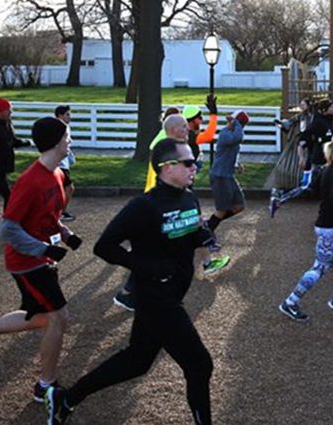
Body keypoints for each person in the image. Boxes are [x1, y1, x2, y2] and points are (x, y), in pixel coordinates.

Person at [46, 138, 215, 425]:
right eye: (188, 162)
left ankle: (67, 398)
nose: (194, 166)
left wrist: (203, 236)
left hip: (174, 292)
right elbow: (105, 246)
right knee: (200, 365)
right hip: (155, 296)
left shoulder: (189, 196)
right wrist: (146, 266)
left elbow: (188, 229)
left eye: (194, 161)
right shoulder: (143, 206)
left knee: (137, 361)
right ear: (165, 167)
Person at [0, 117, 80, 404]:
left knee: (42, 318)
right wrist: (43, 249)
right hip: (26, 261)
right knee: (58, 318)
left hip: (41, 257)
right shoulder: (30, 181)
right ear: (56, 141)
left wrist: (65, 233)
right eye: (67, 135)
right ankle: (45, 385)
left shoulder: (58, 175)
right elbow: (8, 228)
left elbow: (49, 215)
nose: (70, 140)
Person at [279, 128, 333, 322]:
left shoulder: (329, 168)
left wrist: (283, 198)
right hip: (329, 228)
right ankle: (290, 302)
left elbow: (310, 189)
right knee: (320, 268)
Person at [117, 112, 191, 312]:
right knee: (153, 251)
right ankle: (128, 293)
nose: (188, 129)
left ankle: (139, 293)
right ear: (174, 130)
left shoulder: (174, 148)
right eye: (184, 126)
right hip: (158, 206)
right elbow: (157, 182)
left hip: (166, 204)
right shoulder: (165, 151)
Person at [269, 99, 333, 218]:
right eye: (332, 106)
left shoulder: (328, 120)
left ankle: (330, 214)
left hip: (328, 161)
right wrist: (301, 157)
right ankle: (279, 199)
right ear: (324, 109)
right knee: (308, 189)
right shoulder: (317, 122)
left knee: (328, 189)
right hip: (319, 162)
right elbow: (302, 141)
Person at [203, 110, 250, 273]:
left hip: (228, 176)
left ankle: (208, 225)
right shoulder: (225, 133)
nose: (240, 127)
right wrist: (235, 123)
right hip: (220, 176)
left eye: (242, 125)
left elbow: (230, 152)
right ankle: (207, 234)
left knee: (239, 206)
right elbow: (238, 137)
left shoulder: (233, 134)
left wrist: (237, 166)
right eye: (239, 124)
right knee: (222, 210)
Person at [266, 98, 313, 214]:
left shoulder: (310, 117)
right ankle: (290, 188)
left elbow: (302, 129)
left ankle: (296, 188)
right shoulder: (301, 116)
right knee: (288, 165)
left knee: (300, 166)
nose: (301, 105)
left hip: (304, 144)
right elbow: (289, 123)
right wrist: (281, 124)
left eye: (303, 104)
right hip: (297, 144)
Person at [55, 105, 76, 223]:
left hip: (64, 163)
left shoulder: (66, 127)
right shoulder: (59, 128)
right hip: (60, 164)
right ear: (60, 116)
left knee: (64, 189)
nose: (70, 117)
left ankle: (60, 212)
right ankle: (61, 212)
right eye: (67, 114)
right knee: (69, 188)